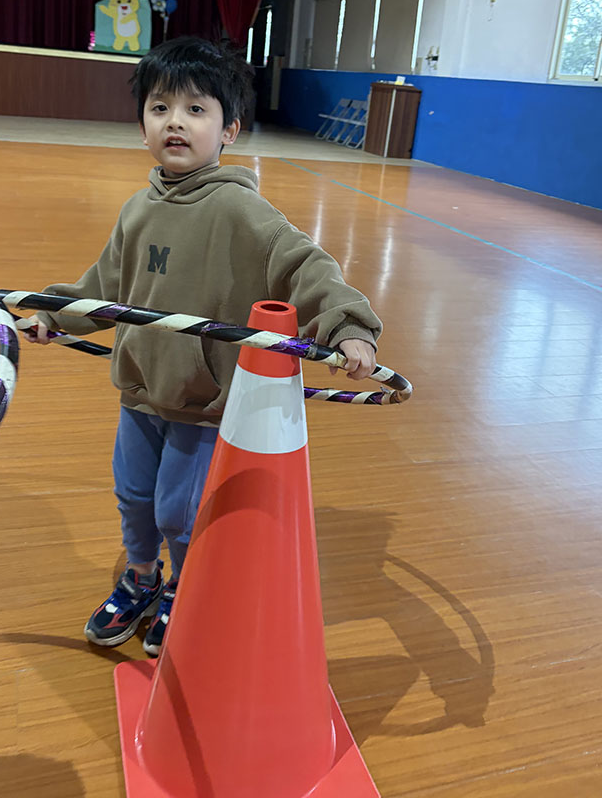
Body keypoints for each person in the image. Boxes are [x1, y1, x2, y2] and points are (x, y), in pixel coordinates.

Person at [24, 36, 382, 656]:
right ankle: (142, 577)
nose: (176, 123)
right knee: (134, 497)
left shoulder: (241, 212)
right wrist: (49, 316)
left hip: (201, 399)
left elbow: (308, 266)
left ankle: (185, 587)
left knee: (178, 512)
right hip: (139, 391)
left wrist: (347, 325)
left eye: (196, 109)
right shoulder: (137, 210)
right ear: (142, 125)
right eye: (160, 108)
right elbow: (104, 288)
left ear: (229, 130)